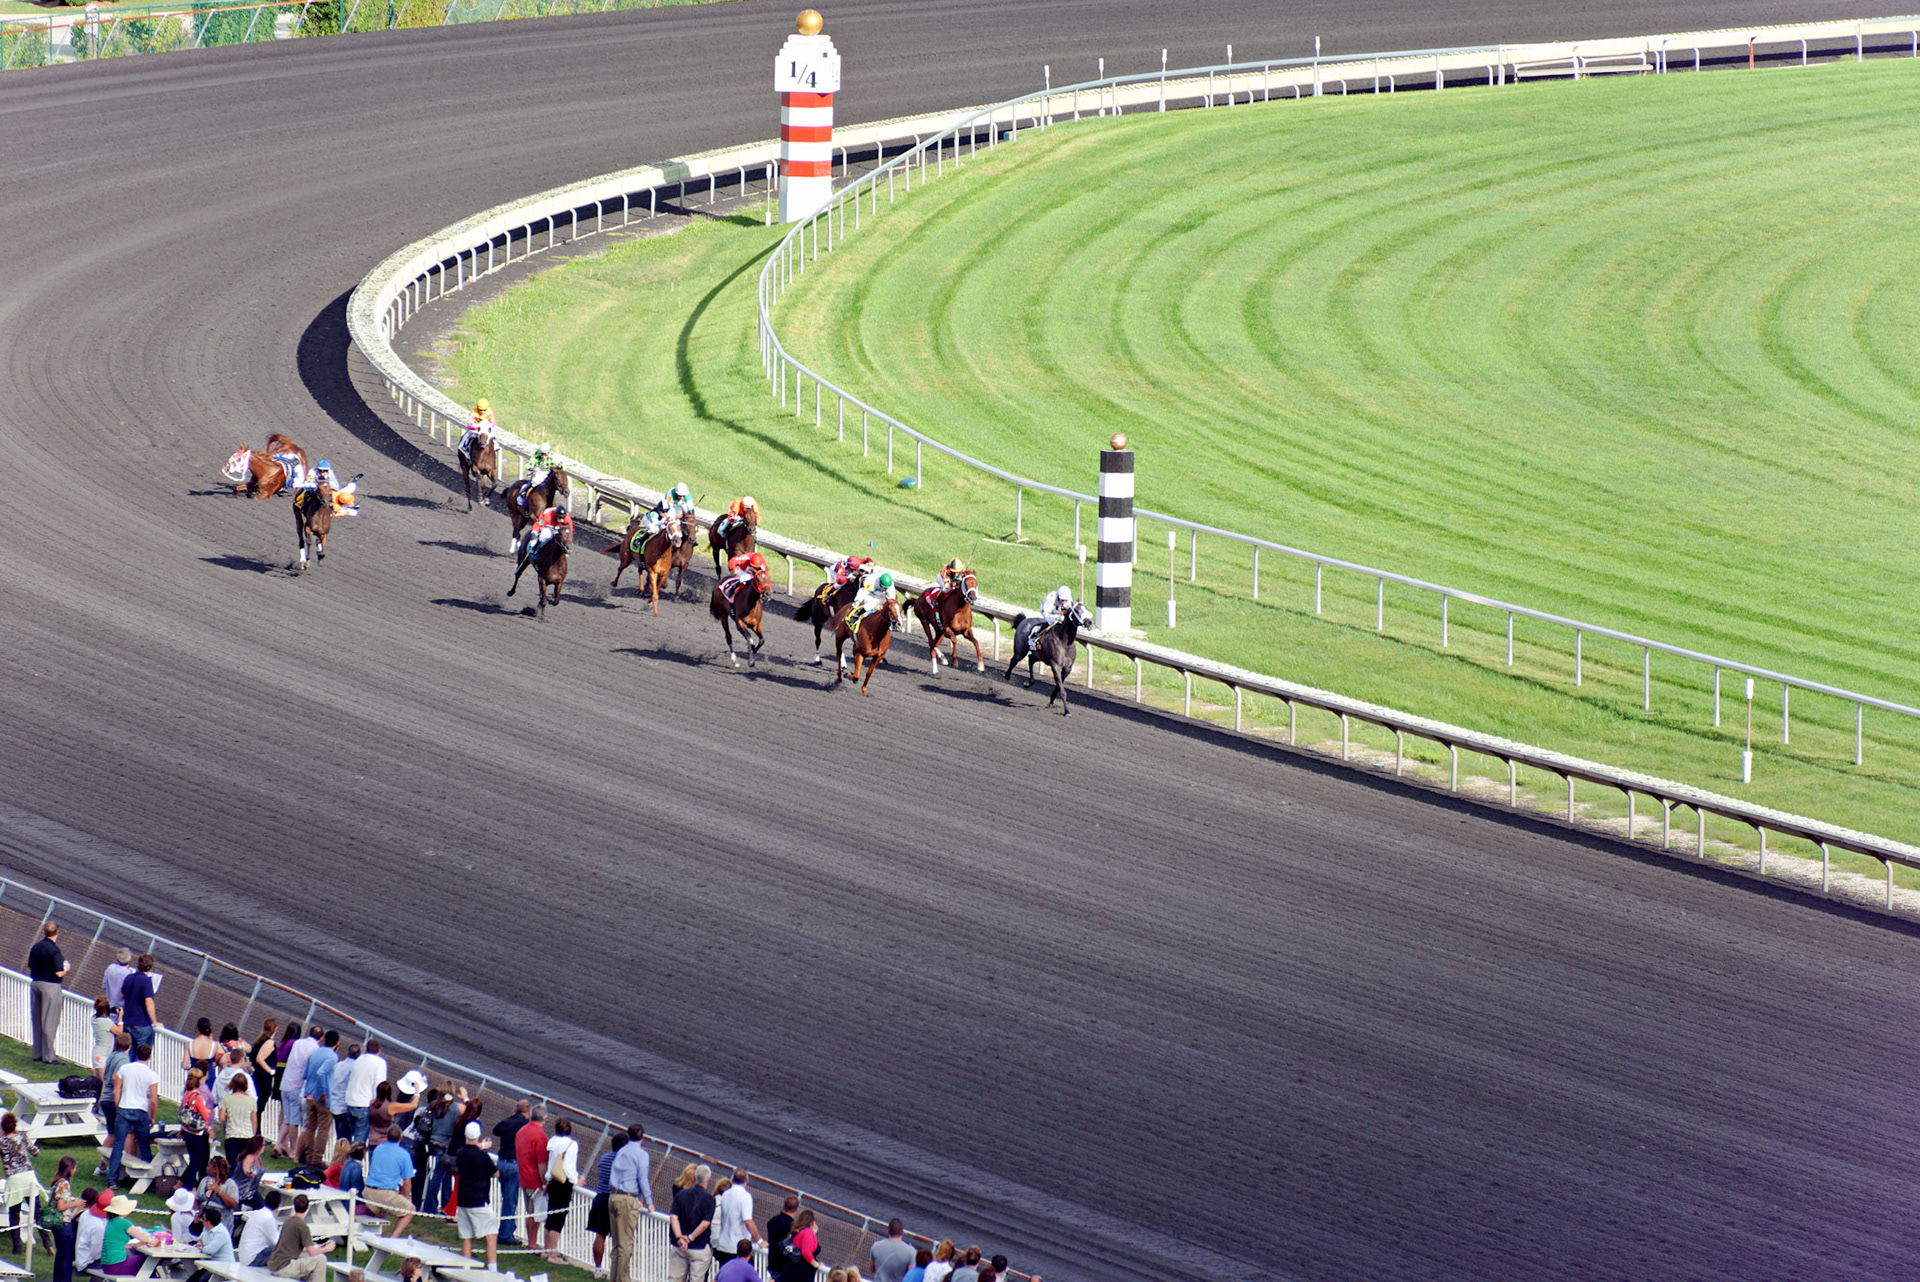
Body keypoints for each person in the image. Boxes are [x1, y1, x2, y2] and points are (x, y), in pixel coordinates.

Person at [107, 1043, 159, 1186]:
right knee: (144, 1145)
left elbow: (116, 1091)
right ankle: (148, 1180)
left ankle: (112, 1180)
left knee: (118, 1145)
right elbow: (153, 1100)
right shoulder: (152, 1074)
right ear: (149, 1056)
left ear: (136, 1053)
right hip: (141, 1111)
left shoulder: (125, 1068)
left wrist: (118, 1106)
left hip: (124, 1108)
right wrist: (152, 1116)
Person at [607, 1122, 651, 1282]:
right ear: (642, 1137)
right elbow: (643, 1179)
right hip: (627, 1199)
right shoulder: (641, 1154)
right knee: (626, 1245)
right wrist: (649, 1200)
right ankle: (623, 1279)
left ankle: (614, 1278)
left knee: (617, 1244)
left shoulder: (621, 1151)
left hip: (613, 1197)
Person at [453, 1122, 499, 1269]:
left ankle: (465, 1269)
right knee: (491, 1233)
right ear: (479, 1136)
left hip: (463, 1198)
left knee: (467, 1236)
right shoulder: (483, 1157)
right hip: (479, 1199)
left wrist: (481, 1146)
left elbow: (469, 1150)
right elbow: (495, 1173)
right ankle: (493, 1270)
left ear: (465, 1135)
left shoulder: (460, 1153)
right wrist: (483, 1148)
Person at [28, 920, 70, 1063]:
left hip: (36, 984)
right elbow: (59, 973)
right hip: (50, 987)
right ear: (57, 932)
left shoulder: (36, 946)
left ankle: (37, 1053)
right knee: (49, 1022)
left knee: (37, 1019)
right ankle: (49, 1056)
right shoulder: (54, 950)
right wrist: (66, 969)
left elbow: (30, 964)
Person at [267, 1193, 333, 1282]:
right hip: (283, 1267)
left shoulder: (288, 1221)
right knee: (321, 1259)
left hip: (275, 1264)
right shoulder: (302, 1227)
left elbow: (294, 1248)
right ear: (308, 1207)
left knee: (309, 1258)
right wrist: (327, 1249)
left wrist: (318, 1247)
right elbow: (313, 1252)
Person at [363, 1126, 415, 1238]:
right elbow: (407, 1182)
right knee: (411, 1209)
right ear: (401, 1138)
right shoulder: (404, 1155)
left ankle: (376, 1235)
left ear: (386, 1136)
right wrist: (407, 1197)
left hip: (368, 1191)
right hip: (385, 1193)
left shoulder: (378, 1149)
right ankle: (392, 1239)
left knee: (385, 1205)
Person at [490, 1101, 530, 1248]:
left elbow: (495, 1131)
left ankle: (508, 1230)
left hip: (501, 1163)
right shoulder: (526, 1125)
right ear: (528, 1112)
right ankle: (505, 1235)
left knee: (507, 1198)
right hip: (514, 1165)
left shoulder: (507, 1121)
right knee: (510, 1201)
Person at [667, 1163, 714, 1282]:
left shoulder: (680, 1194)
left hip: (679, 1244)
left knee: (675, 1278)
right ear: (709, 1179)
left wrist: (679, 1237)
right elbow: (704, 1224)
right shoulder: (709, 1199)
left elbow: (673, 1217)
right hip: (699, 1246)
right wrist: (689, 1238)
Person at [541, 1118, 578, 1263]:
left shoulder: (552, 1142)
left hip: (552, 1182)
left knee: (550, 1217)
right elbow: (568, 1168)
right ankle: (553, 1255)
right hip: (563, 1183)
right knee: (558, 1218)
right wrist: (575, 1181)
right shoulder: (571, 1145)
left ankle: (546, 1250)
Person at [277, 1026, 317, 1160]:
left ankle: (278, 1144)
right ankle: (293, 1150)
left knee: (287, 1119)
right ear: (321, 1038)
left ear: (308, 1033)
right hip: (296, 1085)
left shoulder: (298, 1042)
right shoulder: (315, 1048)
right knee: (293, 1121)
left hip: (285, 1083)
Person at [299, 1031, 339, 1165]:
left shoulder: (315, 1052)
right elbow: (321, 1073)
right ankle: (316, 1159)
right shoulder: (333, 1057)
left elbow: (304, 1074)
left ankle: (309, 1157)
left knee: (310, 1127)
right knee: (323, 1129)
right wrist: (322, 1093)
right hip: (322, 1098)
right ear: (337, 1043)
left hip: (309, 1095)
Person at [588, 1132, 624, 1278]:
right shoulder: (623, 1162)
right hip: (615, 1199)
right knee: (619, 1238)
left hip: (601, 1198)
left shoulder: (604, 1158)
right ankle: (615, 1271)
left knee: (600, 1235)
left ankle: (598, 1269)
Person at [709, 1170, 759, 1276]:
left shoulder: (725, 1194)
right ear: (747, 1180)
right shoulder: (745, 1196)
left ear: (733, 1179)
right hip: (737, 1249)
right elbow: (747, 1220)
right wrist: (759, 1239)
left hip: (723, 1246)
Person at [98, 1193, 159, 1276]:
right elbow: (143, 1238)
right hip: (117, 1265)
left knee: (140, 1260)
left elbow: (115, 1243)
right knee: (149, 1262)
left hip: (106, 1265)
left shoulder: (110, 1222)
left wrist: (136, 1244)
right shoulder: (124, 1223)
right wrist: (152, 1240)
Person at [0, 1113, 37, 1249]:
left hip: (14, 1179)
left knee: (14, 1213)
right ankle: (47, 1242)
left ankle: (16, 1246)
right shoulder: (22, 1137)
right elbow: (35, 1152)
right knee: (36, 1209)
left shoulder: (2, 1142)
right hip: (28, 1177)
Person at [515, 1104, 549, 1249]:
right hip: (534, 1180)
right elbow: (542, 1164)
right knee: (535, 1214)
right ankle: (532, 1244)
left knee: (530, 1212)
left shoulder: (521, 1131)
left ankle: (531, 1243)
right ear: (545, 1119)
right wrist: (544, 1183)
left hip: (523, 1176)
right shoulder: (541, 1136)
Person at [345, 1038, 387, 1146]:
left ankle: (345, 1159)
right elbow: (380, 1085)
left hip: (350, 1102)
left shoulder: (359, 1059)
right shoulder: (380, 1063)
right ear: (379, 1051)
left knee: (350, 1137)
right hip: (364, 1104)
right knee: (359, 1141)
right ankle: (352, 1161)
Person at [48, 1156, 82, 1282]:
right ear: (70, 1169)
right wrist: (76, 1204)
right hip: (63, 1223)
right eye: (75, 1168)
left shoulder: (56, 1181)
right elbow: (61, 1206)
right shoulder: (64, 1184)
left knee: (60, 1255)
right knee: (67, 1257)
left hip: (56, 1223)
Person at [177, 1068, 212, 1187]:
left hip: (186, 1130)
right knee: (196, 1162)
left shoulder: (187, 1093)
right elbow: (205, 1116)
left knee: (194, 1160)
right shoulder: (197, 1097)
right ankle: (189, 1185)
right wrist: (209, 1111)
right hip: (196, 1133)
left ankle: (182, 1183)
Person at [118, 955, 160, 1055]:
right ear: (150, 967)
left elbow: (122, 995)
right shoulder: (146, 981)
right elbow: (149, 1002)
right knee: (141, 1055)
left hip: (128, 1022)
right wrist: (155, 1022)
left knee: (128, 1053)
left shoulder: (129, 977)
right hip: (142, 1024)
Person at [328, 1044, 359, 1163]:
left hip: (335, 1105)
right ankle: (343, 1162)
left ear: (347, 1053)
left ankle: (338, 1160)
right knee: (346, 1139)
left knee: (340, 1137)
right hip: (345, 1107)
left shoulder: (338, 1065)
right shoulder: (355, 1068)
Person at [519, 502, 573, 569]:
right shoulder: (547, 516)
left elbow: (570, 530)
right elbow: (537, 525)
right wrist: (533, 538)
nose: (561, 520)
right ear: (556, 515)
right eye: (559, 518)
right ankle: (534, 550)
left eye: (563, 518)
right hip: (548, 527)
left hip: (559, 528)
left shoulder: (567, 518)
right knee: (543, 537)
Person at [219, 1074, 257, 1170]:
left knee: (231, 1163)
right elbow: (254, 1120)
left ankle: (231, 1182)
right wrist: (254, 1135)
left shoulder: (227, 1099)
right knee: (246, 1164)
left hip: (232, 1134)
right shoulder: (251, 1100)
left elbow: (222, 1118)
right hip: (247, 1135)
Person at [237, 1189, 281, 1267]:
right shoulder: (268, 1218)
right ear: (278, 1205)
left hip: (245, 1255)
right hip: (252, 1259)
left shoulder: (258, 1213)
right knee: (284, 1249)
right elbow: (278, 1242)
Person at [73, 1191, 109, 1275]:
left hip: (81, 1255)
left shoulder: (86, 1213)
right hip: (89, 1261)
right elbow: (97, 1252)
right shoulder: (98, 1226)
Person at [778, 1209, 819, 1282]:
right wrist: (816, 1264)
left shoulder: (797, 1231)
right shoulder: (807, 1233)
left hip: (791, 1270)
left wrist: (814, 1234)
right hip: (801, 1273)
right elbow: (806, 1252)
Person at [248, 1020, 279, 1109]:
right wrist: (271, 1071)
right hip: (263, 1078)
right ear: (276, 1029)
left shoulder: (259, 1041)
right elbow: (260, 1059)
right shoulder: (269, 1042)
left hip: (256, 1076)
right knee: (259, 1106)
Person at [90, 998, 119, 1082]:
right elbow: (119, 1031)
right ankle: (103, 1095)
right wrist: (120, 1018)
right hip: (102, 1055)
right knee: (105, 1083)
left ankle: (96, 1095)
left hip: (97, 1053)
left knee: (97, 1082)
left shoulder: (95, 1019)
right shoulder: (106, 1022)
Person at [101, 950, 134, 1016]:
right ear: (130, 960)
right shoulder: (129, 975)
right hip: (120, 1010)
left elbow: (104, 985)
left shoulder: (110, 968)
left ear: (117, 958)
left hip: (108, 1006)